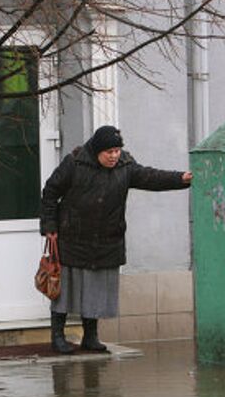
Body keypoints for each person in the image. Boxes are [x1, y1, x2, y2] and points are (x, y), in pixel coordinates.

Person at [40, 125, 192, 354]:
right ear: (97, 151)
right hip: (73, 236)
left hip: (106, 240)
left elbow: (151, 177)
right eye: (109, 152)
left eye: (117, 151)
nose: (114, 156)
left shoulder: (125, 166)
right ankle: (58, 336)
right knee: (65, 289)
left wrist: (181, 179)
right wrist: (50, 226)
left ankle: (90, 337)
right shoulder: (75, 163)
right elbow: (50, 192)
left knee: (95, 290)